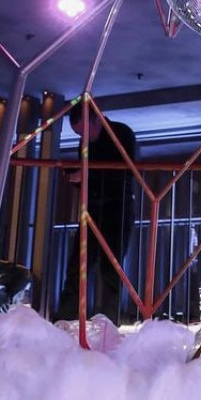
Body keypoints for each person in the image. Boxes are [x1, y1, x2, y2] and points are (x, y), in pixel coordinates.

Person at [56, 108, 137, 324]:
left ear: (95, 120)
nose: (84, 137)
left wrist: (85, 174)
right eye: (79, 134)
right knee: (78, 265)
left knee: (110, 268)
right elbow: (92, 179)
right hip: (93, 207)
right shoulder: (86, 143)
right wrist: (78, 178)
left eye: (84, 131)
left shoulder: (121, 134)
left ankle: (108, 322)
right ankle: (66, 319)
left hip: (117, 207)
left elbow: (125, 171)